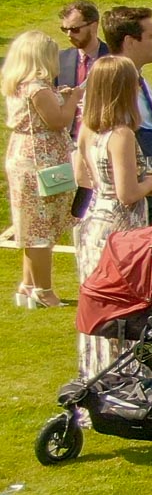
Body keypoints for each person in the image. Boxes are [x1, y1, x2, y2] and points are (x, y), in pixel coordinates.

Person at [72, 57, 152, 376]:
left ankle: (96, 376)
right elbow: (127, 193)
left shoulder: (87, 129)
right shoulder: (121, 134)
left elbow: (85, 178)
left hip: (94, 222)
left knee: (98, 308)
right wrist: (151, 182)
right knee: (122, 307)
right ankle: (123, 378)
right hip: (119, 228)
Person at [5, 31, 81, 309]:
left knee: (32, 225)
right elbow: (58, 120)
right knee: (40, 228)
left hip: (25, 156)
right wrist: (73, 99)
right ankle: (44, 290)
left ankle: (27, 285)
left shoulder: (19, 84)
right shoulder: (36, 87)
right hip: (40, 162)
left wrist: (59, 97)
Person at [102, 7, 152, 224]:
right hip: (137, 199)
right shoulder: (111, 87)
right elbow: (112, 137)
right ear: (129, 42)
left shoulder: (139, 80)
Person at [56, 0, 108, 92]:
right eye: (65, 29)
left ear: (93, 26)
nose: (69, 34)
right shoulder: (59, 60)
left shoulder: (115, 57)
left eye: (75, 29)